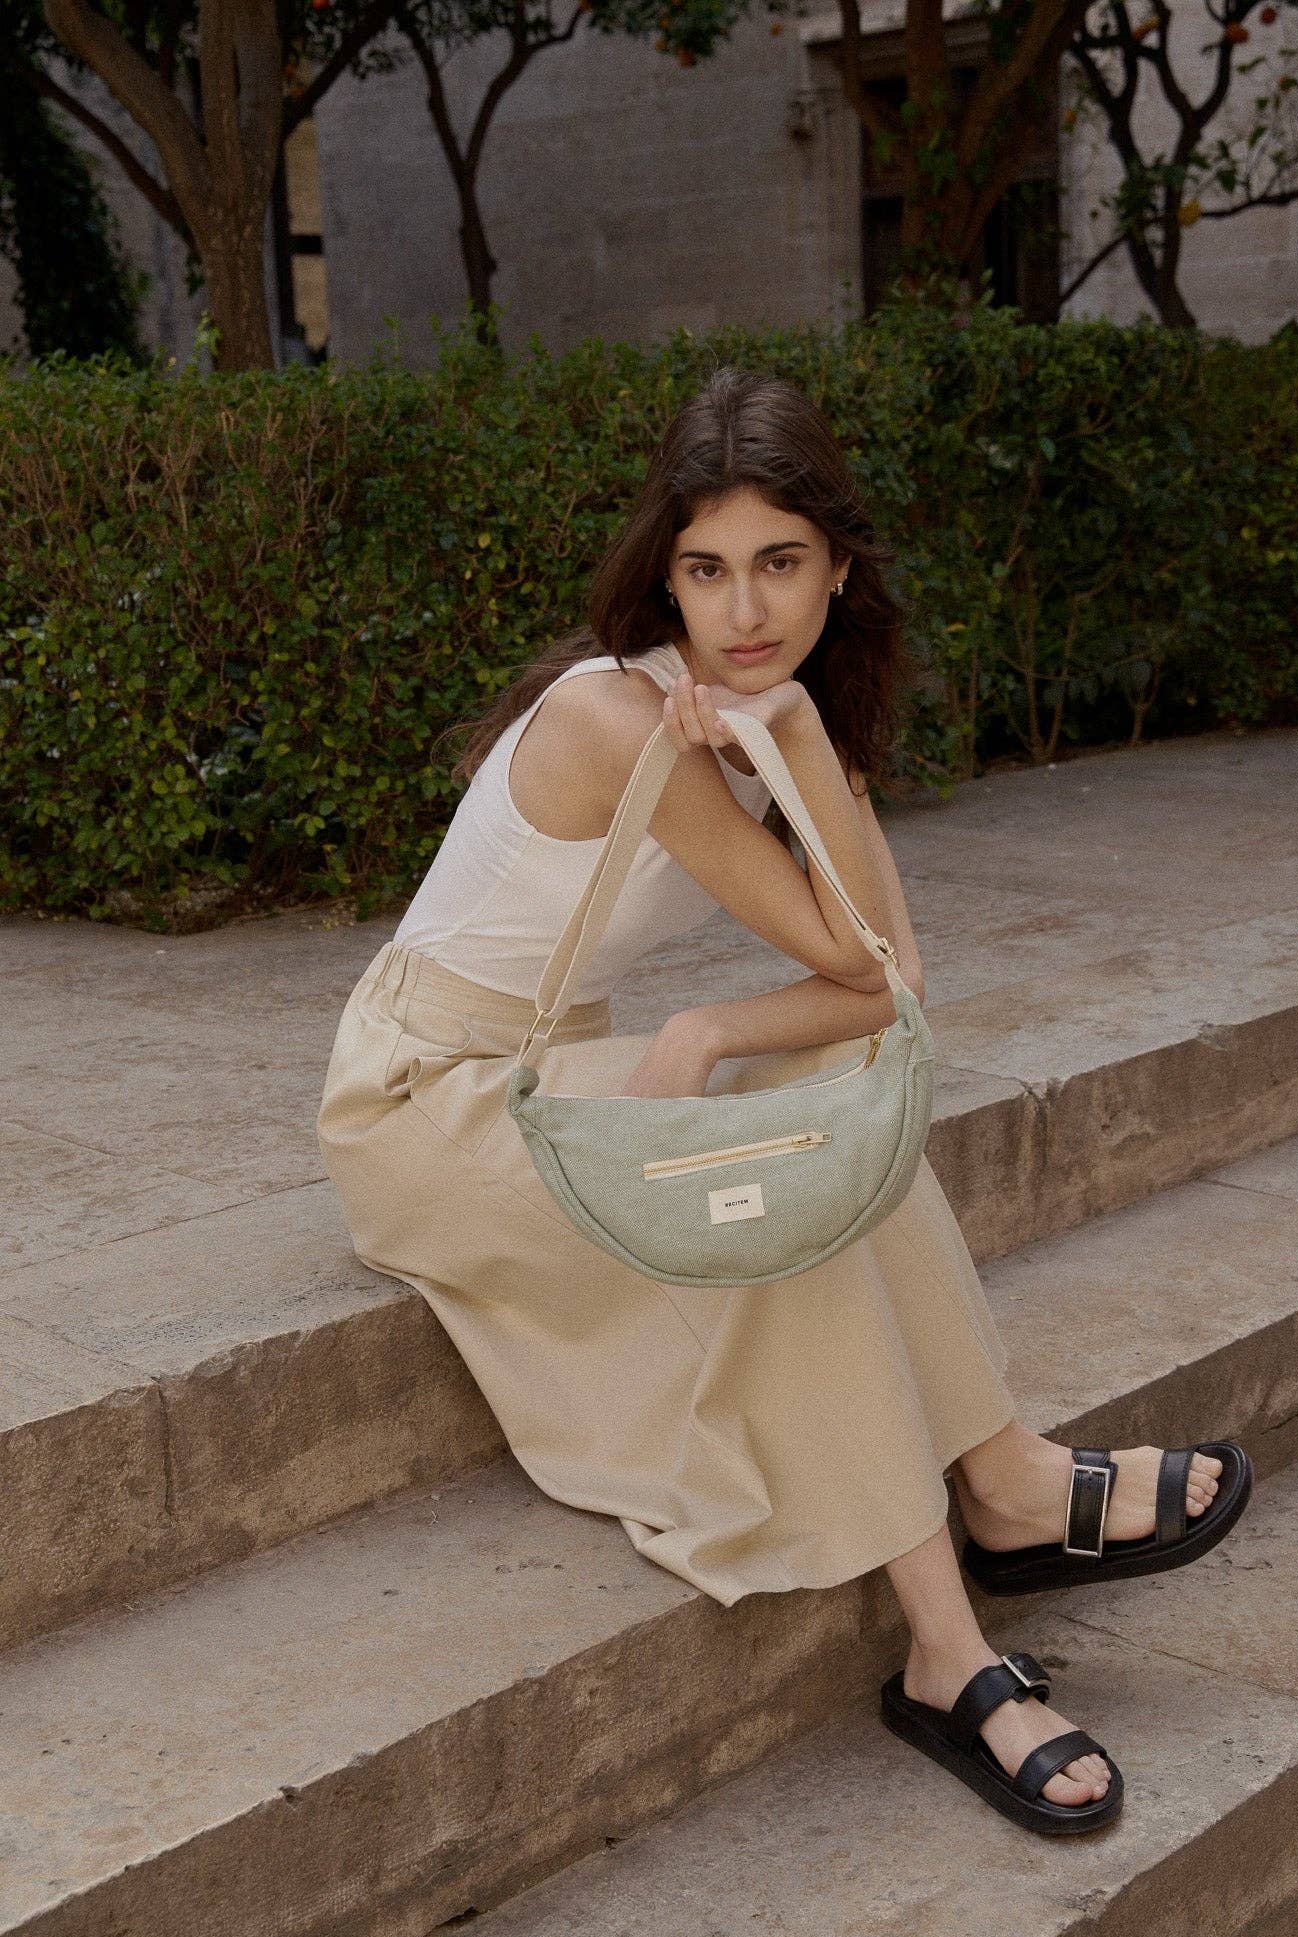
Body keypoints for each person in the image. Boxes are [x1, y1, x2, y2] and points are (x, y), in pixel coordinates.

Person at [316, 365, 1251, 1837]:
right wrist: (791, 754)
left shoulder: (764, 708)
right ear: (664, 576)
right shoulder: (624, 719)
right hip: (429, 1100)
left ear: (837, 570)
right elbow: (863, 964)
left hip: (546, 1062)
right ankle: (949, 1643)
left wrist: (709, 1012)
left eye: (778, 563)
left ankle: (1004, 1480)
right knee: (771, 1180)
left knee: (826, 1101)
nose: (742, 609)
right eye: (705, 569)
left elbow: (888, 984)